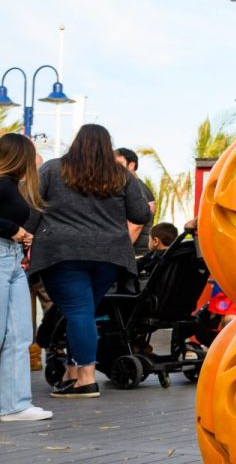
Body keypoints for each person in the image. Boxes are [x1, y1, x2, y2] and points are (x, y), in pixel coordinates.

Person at [32, 124, 151, 399]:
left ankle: (86, 378)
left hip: (62, 253)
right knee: (84, 312)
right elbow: (140, 214)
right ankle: (72, 373)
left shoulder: (52, 169)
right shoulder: (121, 175)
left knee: (78, 312)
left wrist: (26, 236)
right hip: (109, 255)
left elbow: (33, 207)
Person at [0, 133, 50, 422]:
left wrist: (20, 235)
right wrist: (12, 229)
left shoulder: (12, 186)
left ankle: (16, 404)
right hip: (4, 254)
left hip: (13, 259)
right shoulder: (3, 184)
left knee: (20, 334)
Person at [115, 147, 156, 254]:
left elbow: (136, 225)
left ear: (131, 165)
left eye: (119, 164)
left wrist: (119, 252)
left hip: (136, 253)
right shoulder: (138, 186)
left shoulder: (136, 187)